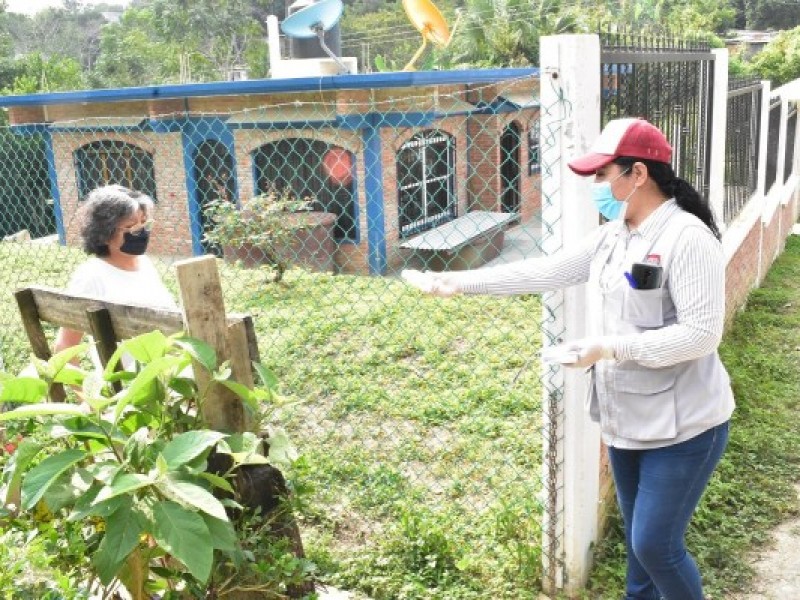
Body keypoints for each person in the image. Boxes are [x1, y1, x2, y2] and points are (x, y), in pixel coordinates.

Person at [402, 117, 734, 600]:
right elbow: (550, 270)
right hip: (629, 419)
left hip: (686, 426)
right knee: (641, 552)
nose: (598, 186)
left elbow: (702, 335)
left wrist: (609, 348)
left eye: (603, 175)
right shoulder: (615, 234)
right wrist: (457, 283)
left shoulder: (687, 239)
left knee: (656, 546)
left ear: (637, 174)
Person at [54, 185, 178, 369]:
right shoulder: (91, 276)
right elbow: (64, 346)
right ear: (104, 234)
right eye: (130, 227)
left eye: (145, 223)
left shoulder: (144, 264)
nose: (141, 232)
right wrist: (85, 396)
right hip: (125, 387)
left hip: (167, 380)